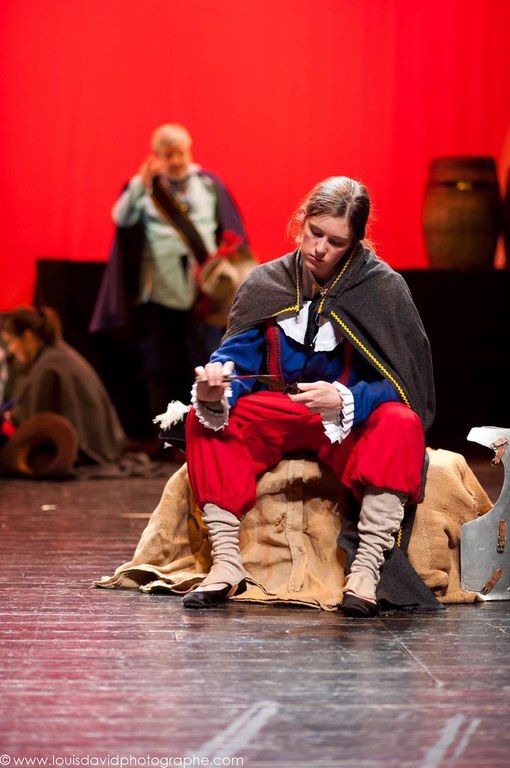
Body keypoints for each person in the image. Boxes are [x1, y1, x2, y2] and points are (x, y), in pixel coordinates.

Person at [180, 176, 435, 617]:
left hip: (346, 421)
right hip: (281, 411)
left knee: (401, 422)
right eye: (315, 233)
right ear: (301, 222)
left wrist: (346, 399)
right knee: (203, 418)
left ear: (355, 243)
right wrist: (217, 383)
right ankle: (226, 563)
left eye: (336, 242)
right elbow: (237, 356)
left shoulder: (381, 288)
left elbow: (403, 383)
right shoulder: (267, 282)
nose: (319, 248)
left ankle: (365, 572)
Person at [89, 123, 249, 424]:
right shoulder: (145, 187)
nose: (175, 160)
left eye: (180, 153)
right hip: (159, 292)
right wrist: (140, 183)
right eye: (168, 154)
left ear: (189, 151)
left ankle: (210, 427)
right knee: (160, 366)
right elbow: (122, 218)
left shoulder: (208, 184)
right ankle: (166, 434)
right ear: (157, 156)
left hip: (204, 293)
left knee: (208, 361)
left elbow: (232, 232)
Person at [1, 306, 127, 469]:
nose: (11, 350)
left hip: (86, 450)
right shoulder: (57, 355)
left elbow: (28, 423)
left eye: (11, 341)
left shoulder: (48, 366)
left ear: (28, 336)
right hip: (102, 445)